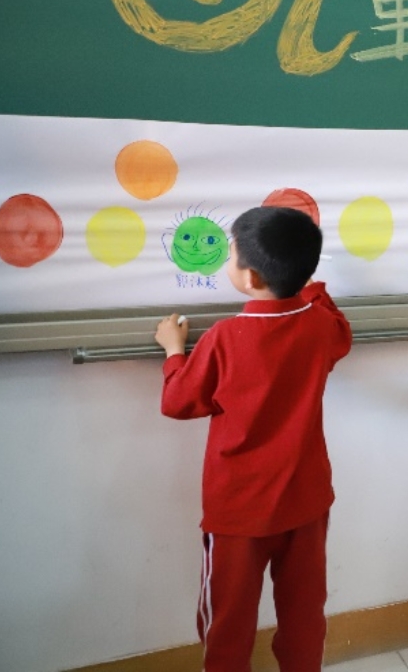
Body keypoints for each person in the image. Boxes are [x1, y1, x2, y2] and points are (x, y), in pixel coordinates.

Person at [153, 206, 352, 672]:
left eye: (230, 255)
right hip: (306, 502)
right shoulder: (321, 325)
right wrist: (309, 286)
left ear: (250, 277)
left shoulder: (225, 337)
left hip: (239, 510)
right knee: (304, 614)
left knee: (228, 621)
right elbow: (340, 331)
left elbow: (178, 402)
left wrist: (174, 351)